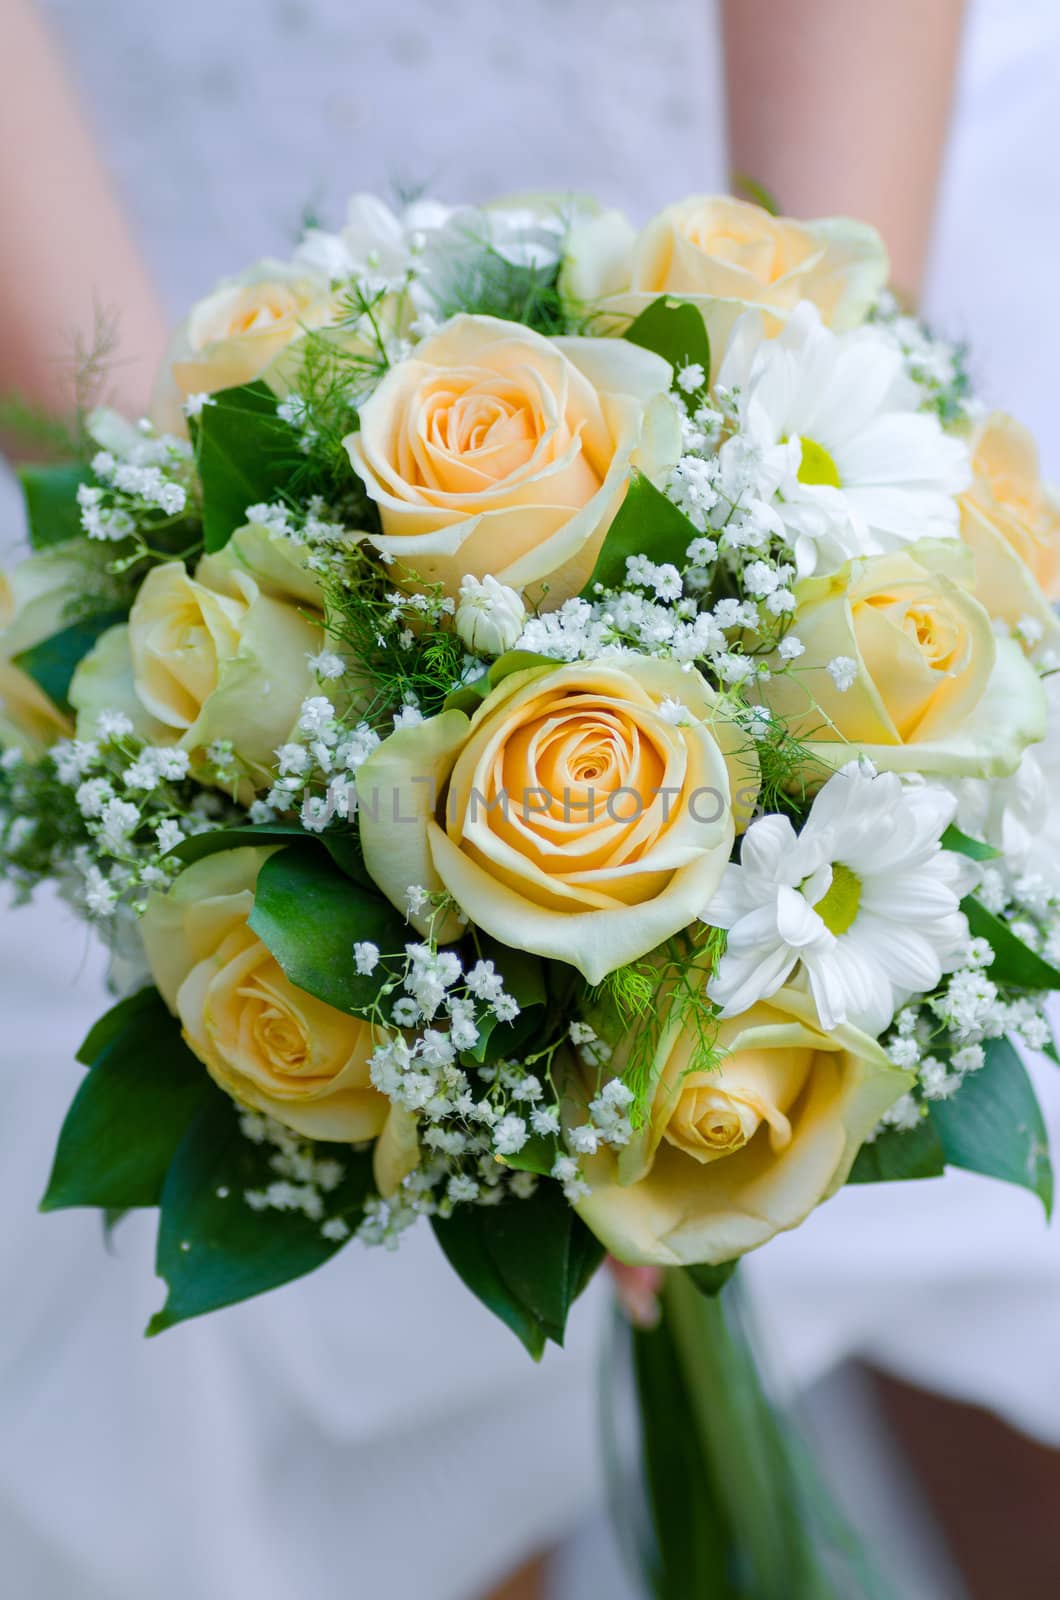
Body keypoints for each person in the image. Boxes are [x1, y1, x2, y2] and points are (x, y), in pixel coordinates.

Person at [3, 2, 1057, 1597]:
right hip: (139, 293)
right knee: (308, 1454)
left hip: (822, 212)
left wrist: (815, 448)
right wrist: (179, 529)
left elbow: (830, 400)